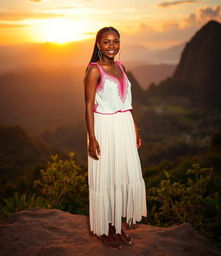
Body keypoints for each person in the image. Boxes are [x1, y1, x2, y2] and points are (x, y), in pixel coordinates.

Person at [84, 26, 147, 249]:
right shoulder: (94, 70)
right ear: (99, 44)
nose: (112, 46)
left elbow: (127, 103)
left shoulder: (120, 66)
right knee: (106, 178)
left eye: (116, 41)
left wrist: (135, 129)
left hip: (123, 126)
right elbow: (89, 105)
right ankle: (104, 230)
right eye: (107, 42)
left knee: (121, 176)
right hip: (104, 128)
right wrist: (92, 138)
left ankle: (117, 226)